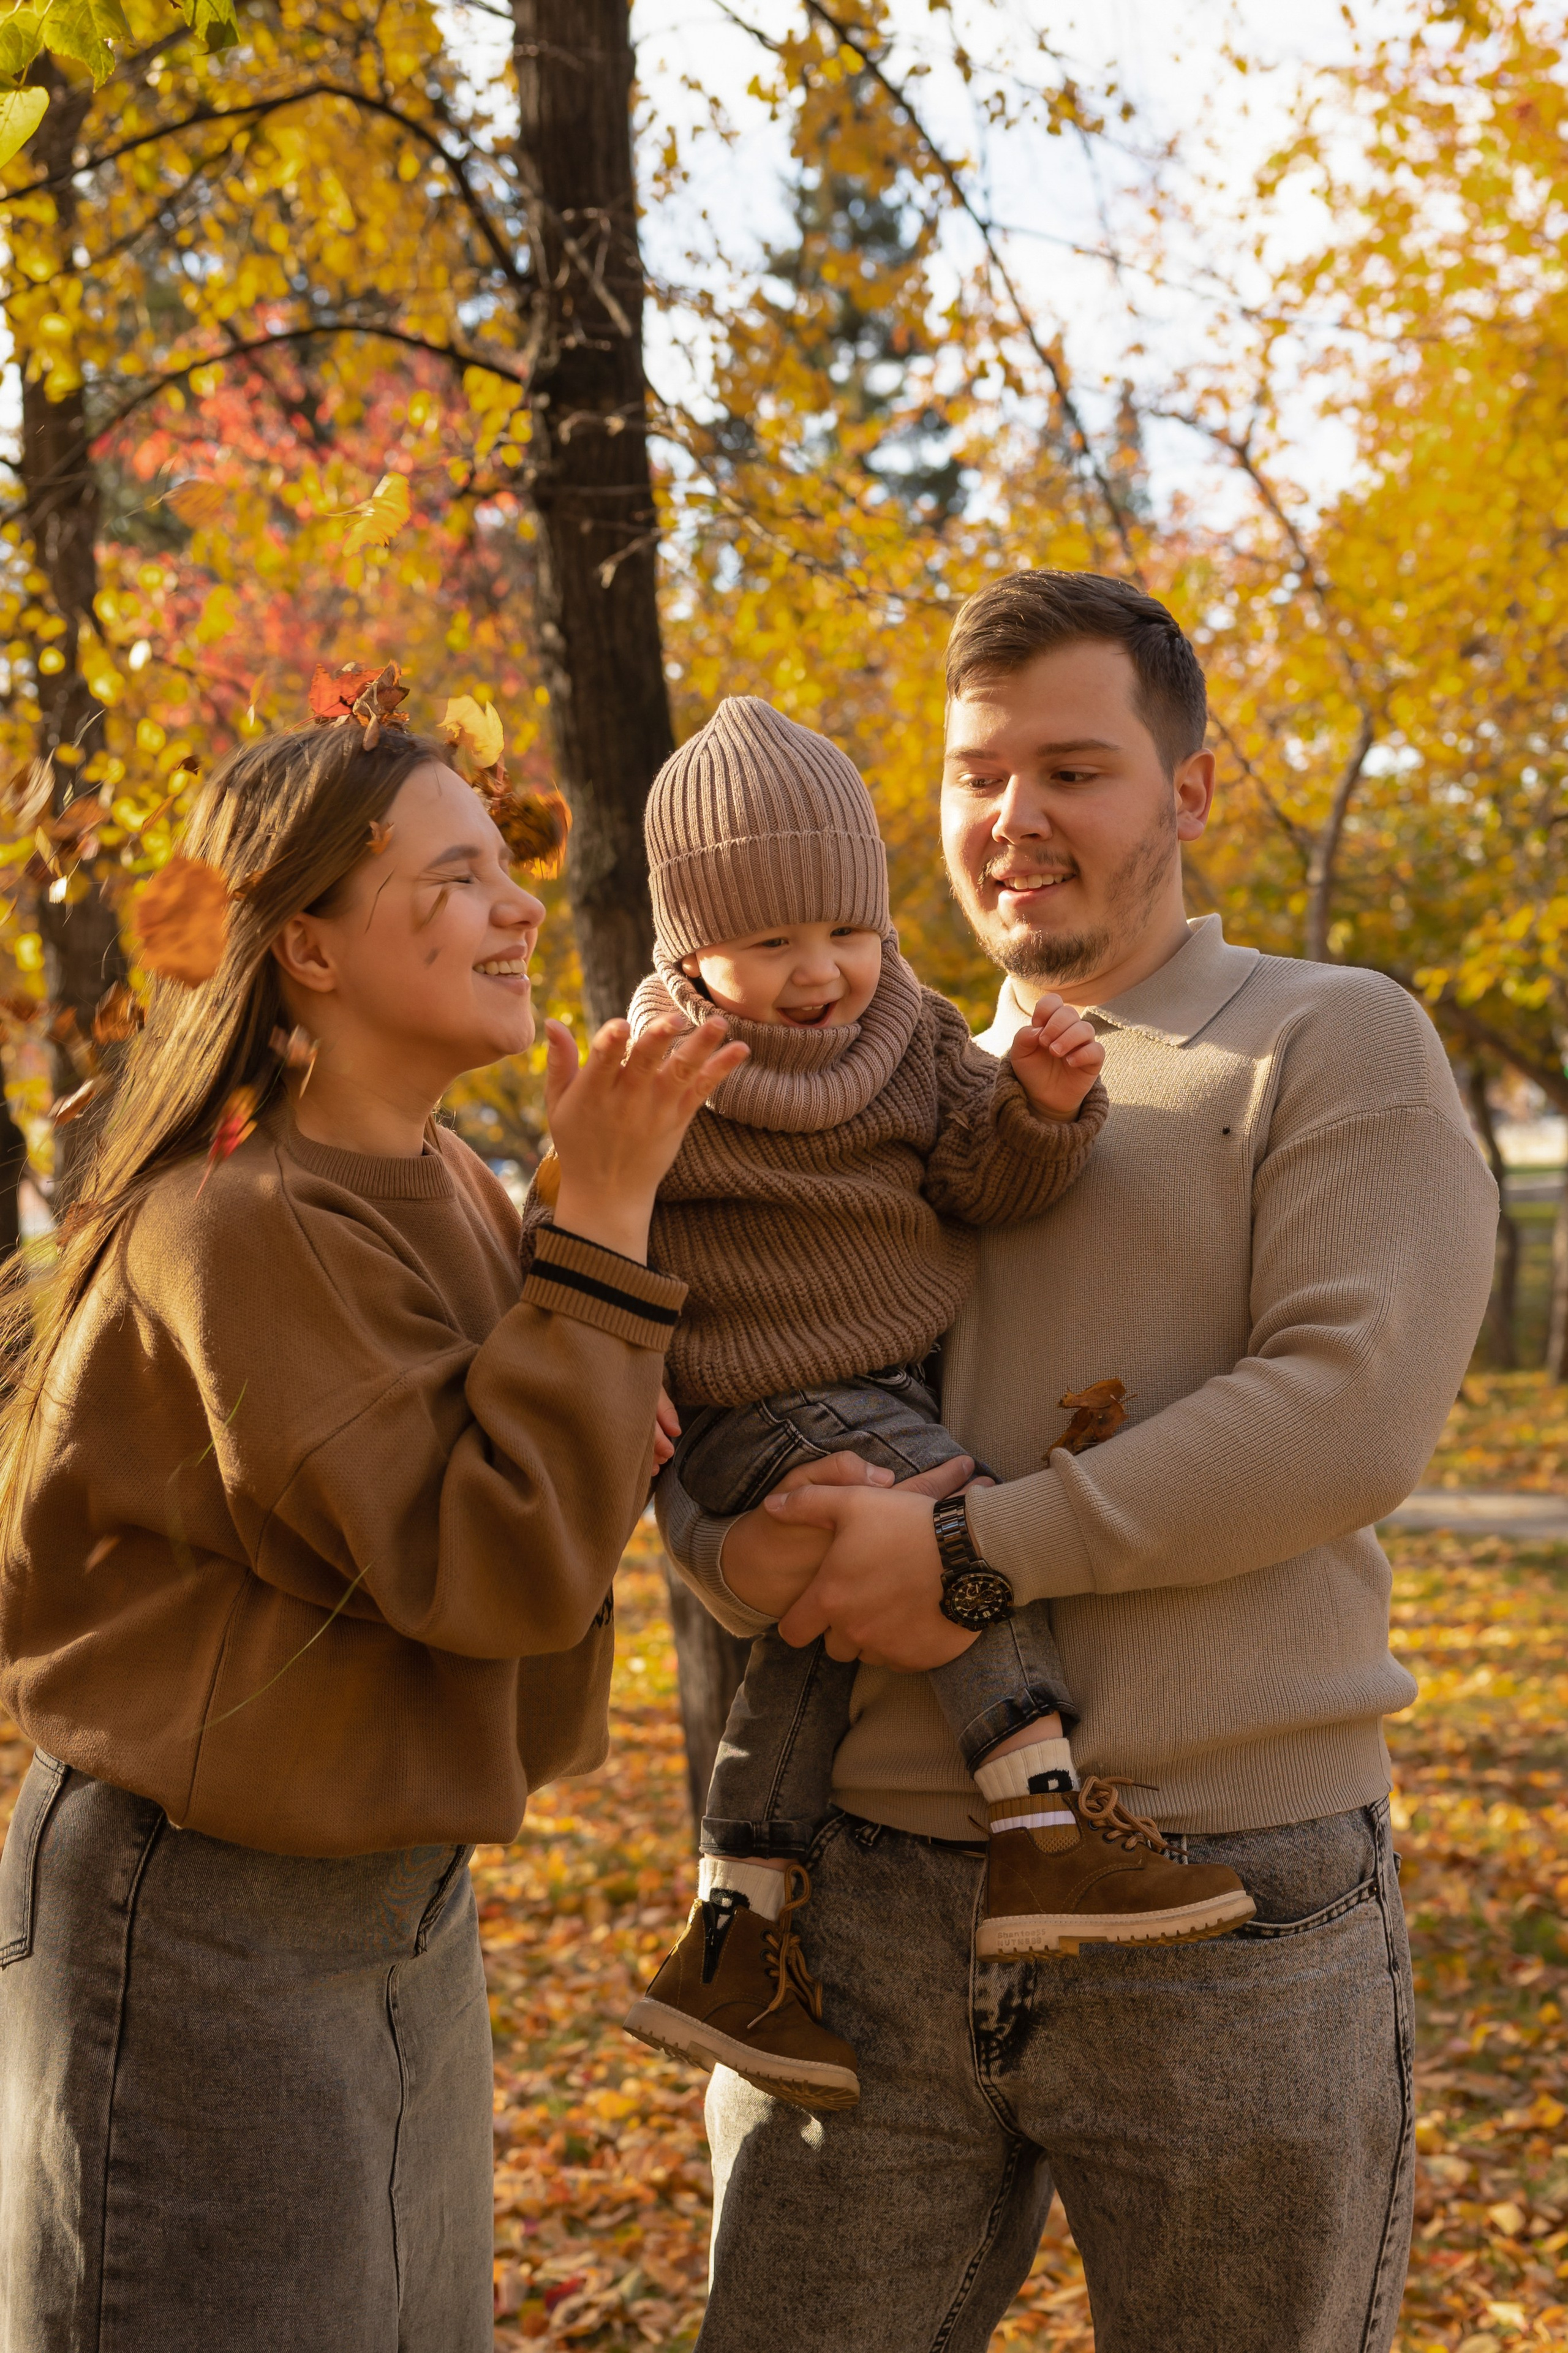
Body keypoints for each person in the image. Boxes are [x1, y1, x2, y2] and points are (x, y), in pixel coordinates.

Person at [659, 571, 1498, 2353]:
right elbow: (726, 1371)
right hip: (863, 1900)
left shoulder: (1326, 1035)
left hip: (1226, 1889)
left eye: (1074, 768)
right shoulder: (874, 1081)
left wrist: (976, 1557)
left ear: (1190, 794)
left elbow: (1348, 1411)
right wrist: (722, 1552)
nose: (1011, 821)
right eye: (974, 775)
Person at [0, 704, 743, 2352]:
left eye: (505, 868)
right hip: (203, 1921)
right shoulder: (236, 1224)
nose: (521, 907)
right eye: (459, 874)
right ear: (310, 946)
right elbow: (492, 1563)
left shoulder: (466, 1193)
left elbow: (518, 1513)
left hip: (396, 1903)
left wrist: (591, 1370)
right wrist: (608, 1227)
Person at [524, 696, 1251, 2113]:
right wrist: (622, 1377)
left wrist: (1035, 1110)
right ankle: (1041, 1830)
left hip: (874, 1389)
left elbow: (981, 1187)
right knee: (965, 1525)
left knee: (821, 1642)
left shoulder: (911, 1029)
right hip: (753, 1402)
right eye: (774, 944)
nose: (820, 976)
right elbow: (568, 1231)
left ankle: (737, 1922)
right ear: (690, 949)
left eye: (844, 934)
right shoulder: (660, 1064)